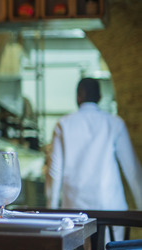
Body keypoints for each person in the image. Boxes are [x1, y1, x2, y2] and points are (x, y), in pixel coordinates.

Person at [46, 77, 142, 213]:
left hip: (75, 207)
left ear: (78, 97)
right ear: (100, 97)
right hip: (110, 205)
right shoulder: (115, 123)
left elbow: (54, 171)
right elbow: (132, 169)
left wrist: (52, 209)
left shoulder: (63, 124)